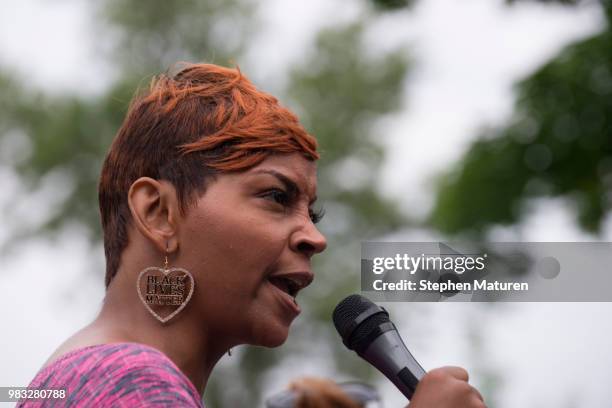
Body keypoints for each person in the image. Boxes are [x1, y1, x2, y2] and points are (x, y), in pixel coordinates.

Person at [17, 63, 485, 407]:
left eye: (313, 214)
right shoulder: (127, 381)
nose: (314, 238)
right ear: (159, 213)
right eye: (276, 197)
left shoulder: (85, 378)